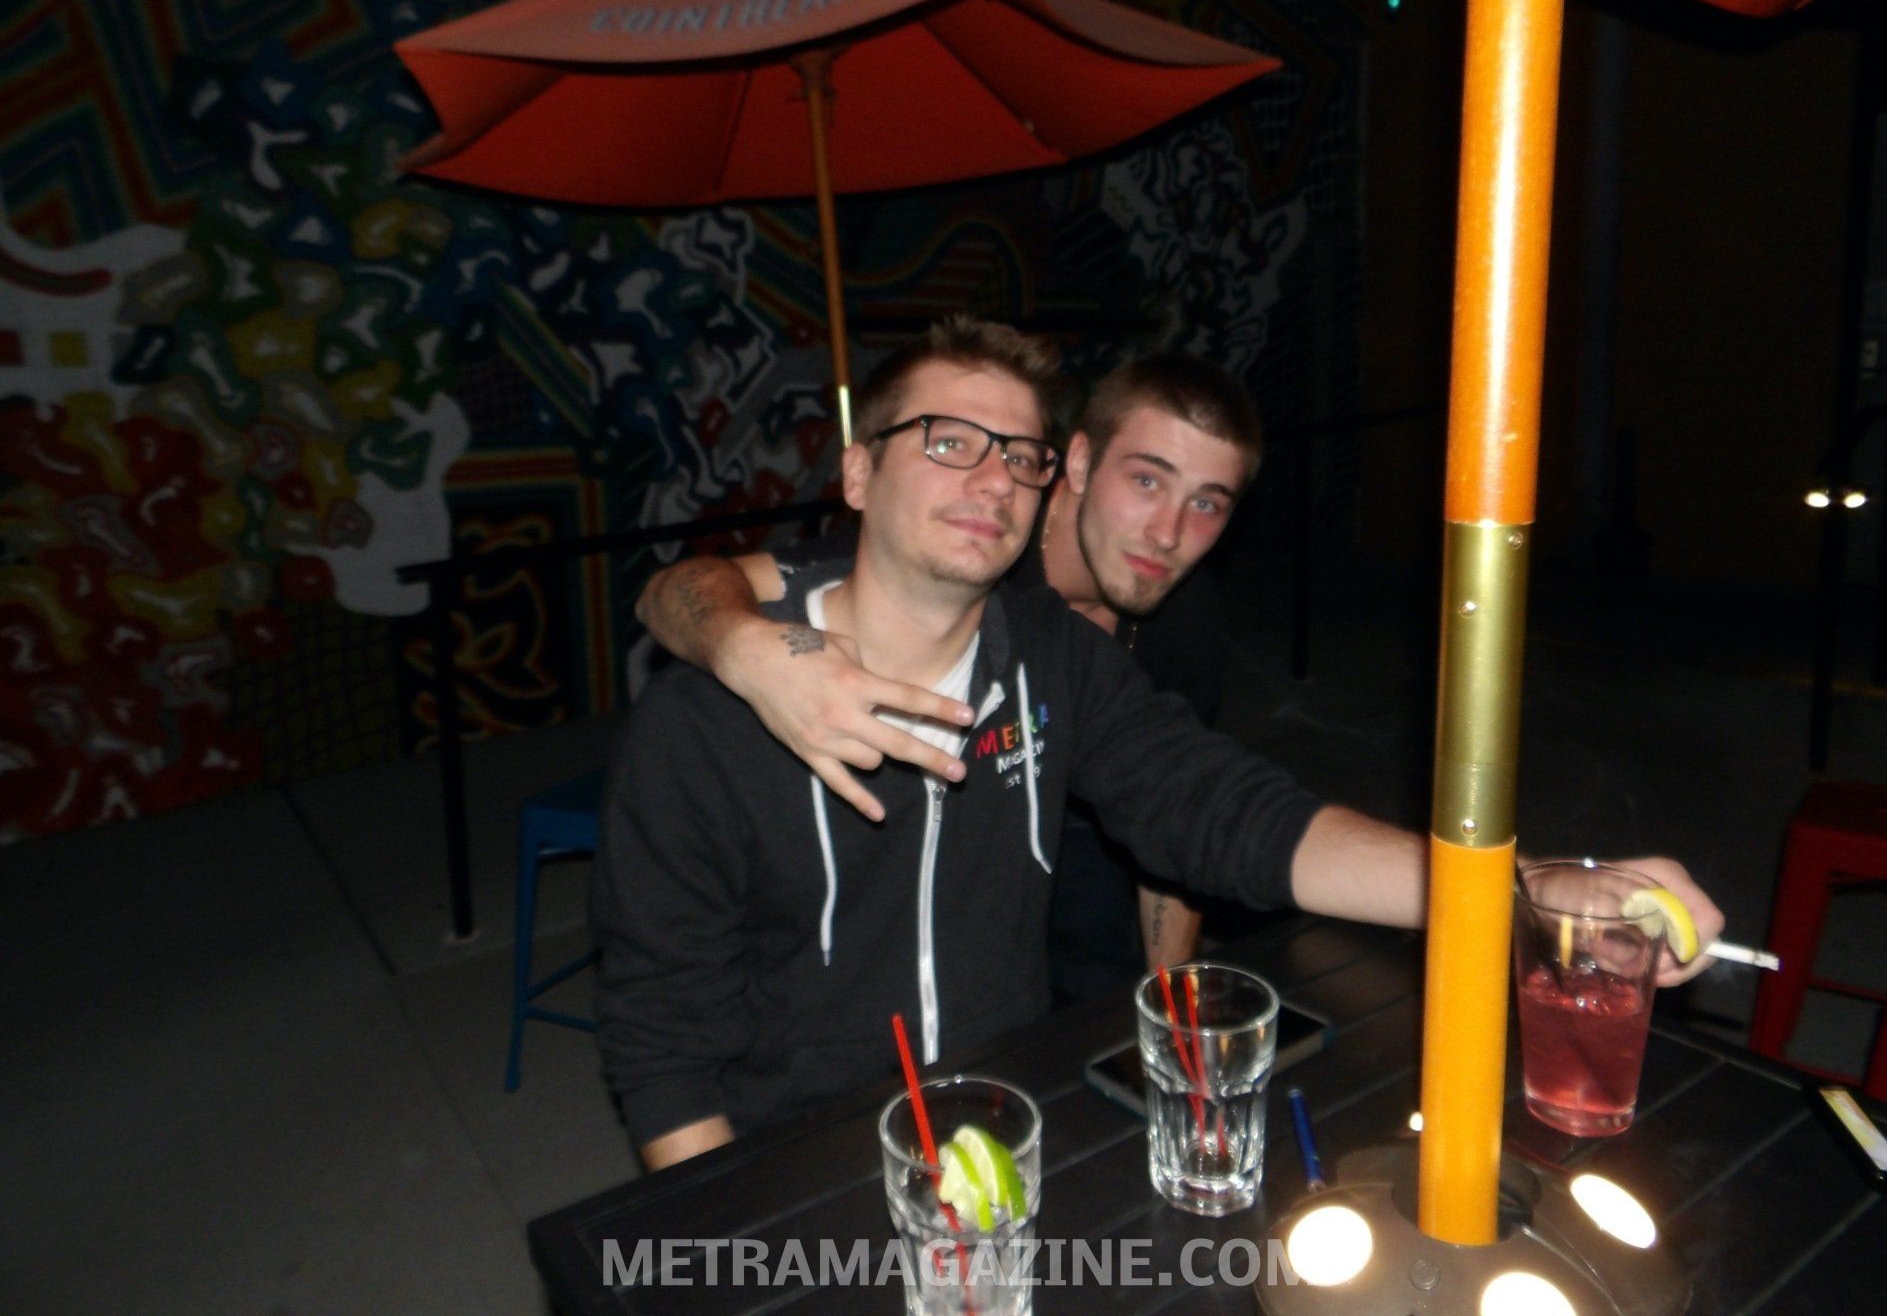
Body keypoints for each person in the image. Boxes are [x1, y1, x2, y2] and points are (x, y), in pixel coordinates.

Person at [594, 317, 1723, 1171]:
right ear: (857, 471)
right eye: (949, 442)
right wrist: (737, 1252)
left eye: (1021, 456)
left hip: (1012, 1132)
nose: (992, 478)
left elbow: (1235, 818)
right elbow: (662, 1048)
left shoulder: (1056, 661)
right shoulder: (705, 718)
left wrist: (1534, 889)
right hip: (800, 1159)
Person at [637, 353, 1262, 1002]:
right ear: (1078, 463)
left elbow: (1176, 820)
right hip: (960, 814)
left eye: (1206, 502)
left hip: (1090, 834)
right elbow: (674, 591)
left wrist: (1174, 1004)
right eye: (1147, 481)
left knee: (1103, 997)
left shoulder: (1186, 618)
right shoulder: (972, 545)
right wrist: (748, 650)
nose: (1168, 534)